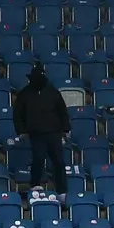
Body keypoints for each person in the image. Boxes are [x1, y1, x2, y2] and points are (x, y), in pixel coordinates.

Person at [13, 64, 70, 196]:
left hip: (54, 132)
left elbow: (63, 111)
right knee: (38, 159)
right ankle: (35, 185)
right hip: (36, 133)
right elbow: (18, 114)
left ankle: (62, 190)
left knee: (58, 161)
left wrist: (65, 129)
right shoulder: (25, 93)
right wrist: (21, 130)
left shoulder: (53, 92)